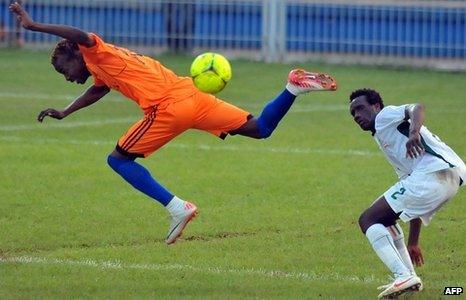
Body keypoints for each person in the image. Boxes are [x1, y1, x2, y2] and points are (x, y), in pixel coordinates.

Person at [10, 2, 337, 245]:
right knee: (261, 128)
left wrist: (34, 25)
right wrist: (66, 111)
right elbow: (99, 89)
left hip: (167, 108)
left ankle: (177, 207)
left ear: (75, 54)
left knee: (118, 159)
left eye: (64, 68)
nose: (67, 78)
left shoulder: (95, 51)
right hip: (192, 94)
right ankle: (293, 86)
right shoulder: (102, 68)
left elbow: (79, 35)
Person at [349, 88, 465, 299]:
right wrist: (413, 242)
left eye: (360, 108)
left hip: (434, 175)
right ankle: (409, 276)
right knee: (384, 218)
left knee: (368, 219)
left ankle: (402, 275)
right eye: (353, 113)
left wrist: (414, 133)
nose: (356, 115)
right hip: (446, 179)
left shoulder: (384, 117)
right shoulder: (386, 137)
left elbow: (416, 108)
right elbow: (410, 193)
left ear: (375, 106)